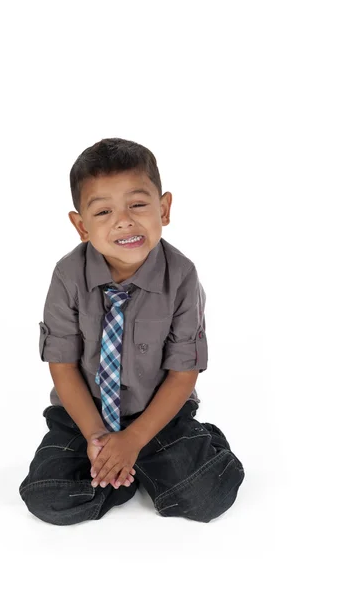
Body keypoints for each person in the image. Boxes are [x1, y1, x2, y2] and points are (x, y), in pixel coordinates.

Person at [19, 137, 245, 526]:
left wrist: (135, 440)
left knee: (207, 494)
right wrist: (97, 439)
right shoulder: (67, 276)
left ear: (165, 208)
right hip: (82, 414)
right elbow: (63, 365)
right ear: (81, 225)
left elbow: (182, 374)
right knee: (47, 494)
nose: (123, 220)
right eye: (103, 211)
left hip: (157, 415)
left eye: (138, 205)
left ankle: (176, 448)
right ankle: (119, 472)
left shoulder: (183, 277)